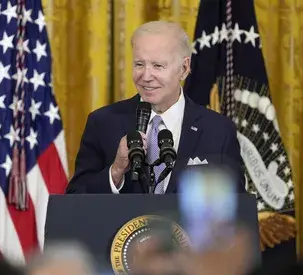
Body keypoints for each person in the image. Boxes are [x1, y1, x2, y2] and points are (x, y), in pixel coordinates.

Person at [65, 21, 245, 194]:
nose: (146, 76)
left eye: (158, 66)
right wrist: (116, 170)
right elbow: (75, 200)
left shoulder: (218, 131)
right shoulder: (103, 123)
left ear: (184, 68)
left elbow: (236, 212)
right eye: (139, 64)